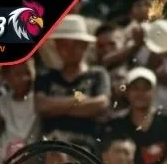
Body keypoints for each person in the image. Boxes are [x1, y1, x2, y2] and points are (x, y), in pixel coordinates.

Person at [34, 15, 110, 147]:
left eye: (76, 44)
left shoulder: (98, 74)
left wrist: (56, 107)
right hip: (52, 149)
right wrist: (79, 100)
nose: (70, 50)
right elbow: (42, 106)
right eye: (64, 44)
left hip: (86, 150)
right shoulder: (46, 77)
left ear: (85, 46)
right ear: (56, 46)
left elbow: (101, 104)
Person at [0, 59, 40, 163]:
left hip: (29, 158)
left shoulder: (38, 100)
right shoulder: (3, 101)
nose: (24, 78)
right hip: (5, 158)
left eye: (28, 73)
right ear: (7, 78)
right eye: (18, 74)